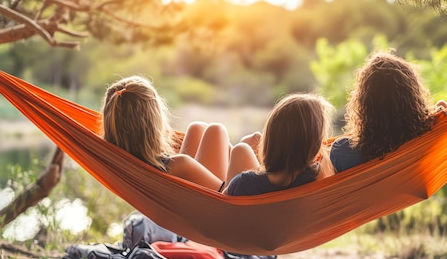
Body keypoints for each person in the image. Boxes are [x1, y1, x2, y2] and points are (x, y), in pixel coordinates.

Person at [101, 75, 230, 191]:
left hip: (174, 196)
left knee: (196, 128)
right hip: (208, 211)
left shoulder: (118, 159)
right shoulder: (180, 165)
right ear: (154, 121)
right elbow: (224, 198)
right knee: (217, 131)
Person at [330, 51, 447, 173]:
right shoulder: (428, 133)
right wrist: (439, 107)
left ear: (363, 103)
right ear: (412, 97)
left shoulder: (342, 152)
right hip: (412, 191)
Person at [223, 93, 335, 196]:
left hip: (241, 210)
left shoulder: (244, 184)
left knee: (235, 145)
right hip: (288, 215)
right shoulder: (319, 178)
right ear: (315, 145)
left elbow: (221, 206)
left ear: (269, 138)